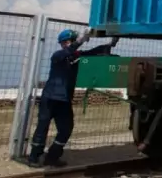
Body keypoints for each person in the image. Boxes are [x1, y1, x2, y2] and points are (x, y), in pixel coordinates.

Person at [28, 28, 118, 167]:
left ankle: (52, 157)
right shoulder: (58, 56)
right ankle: (34, 157)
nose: (71, 44)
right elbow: (68, 52)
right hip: (50, 98)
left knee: (66, 129)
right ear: (63, 43)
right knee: (42, 127)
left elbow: (93, 52)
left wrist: (111, 44)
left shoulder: (76, 56)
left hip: (64, 101)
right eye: (70, 41)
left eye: (74, 41)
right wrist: (80, 41)